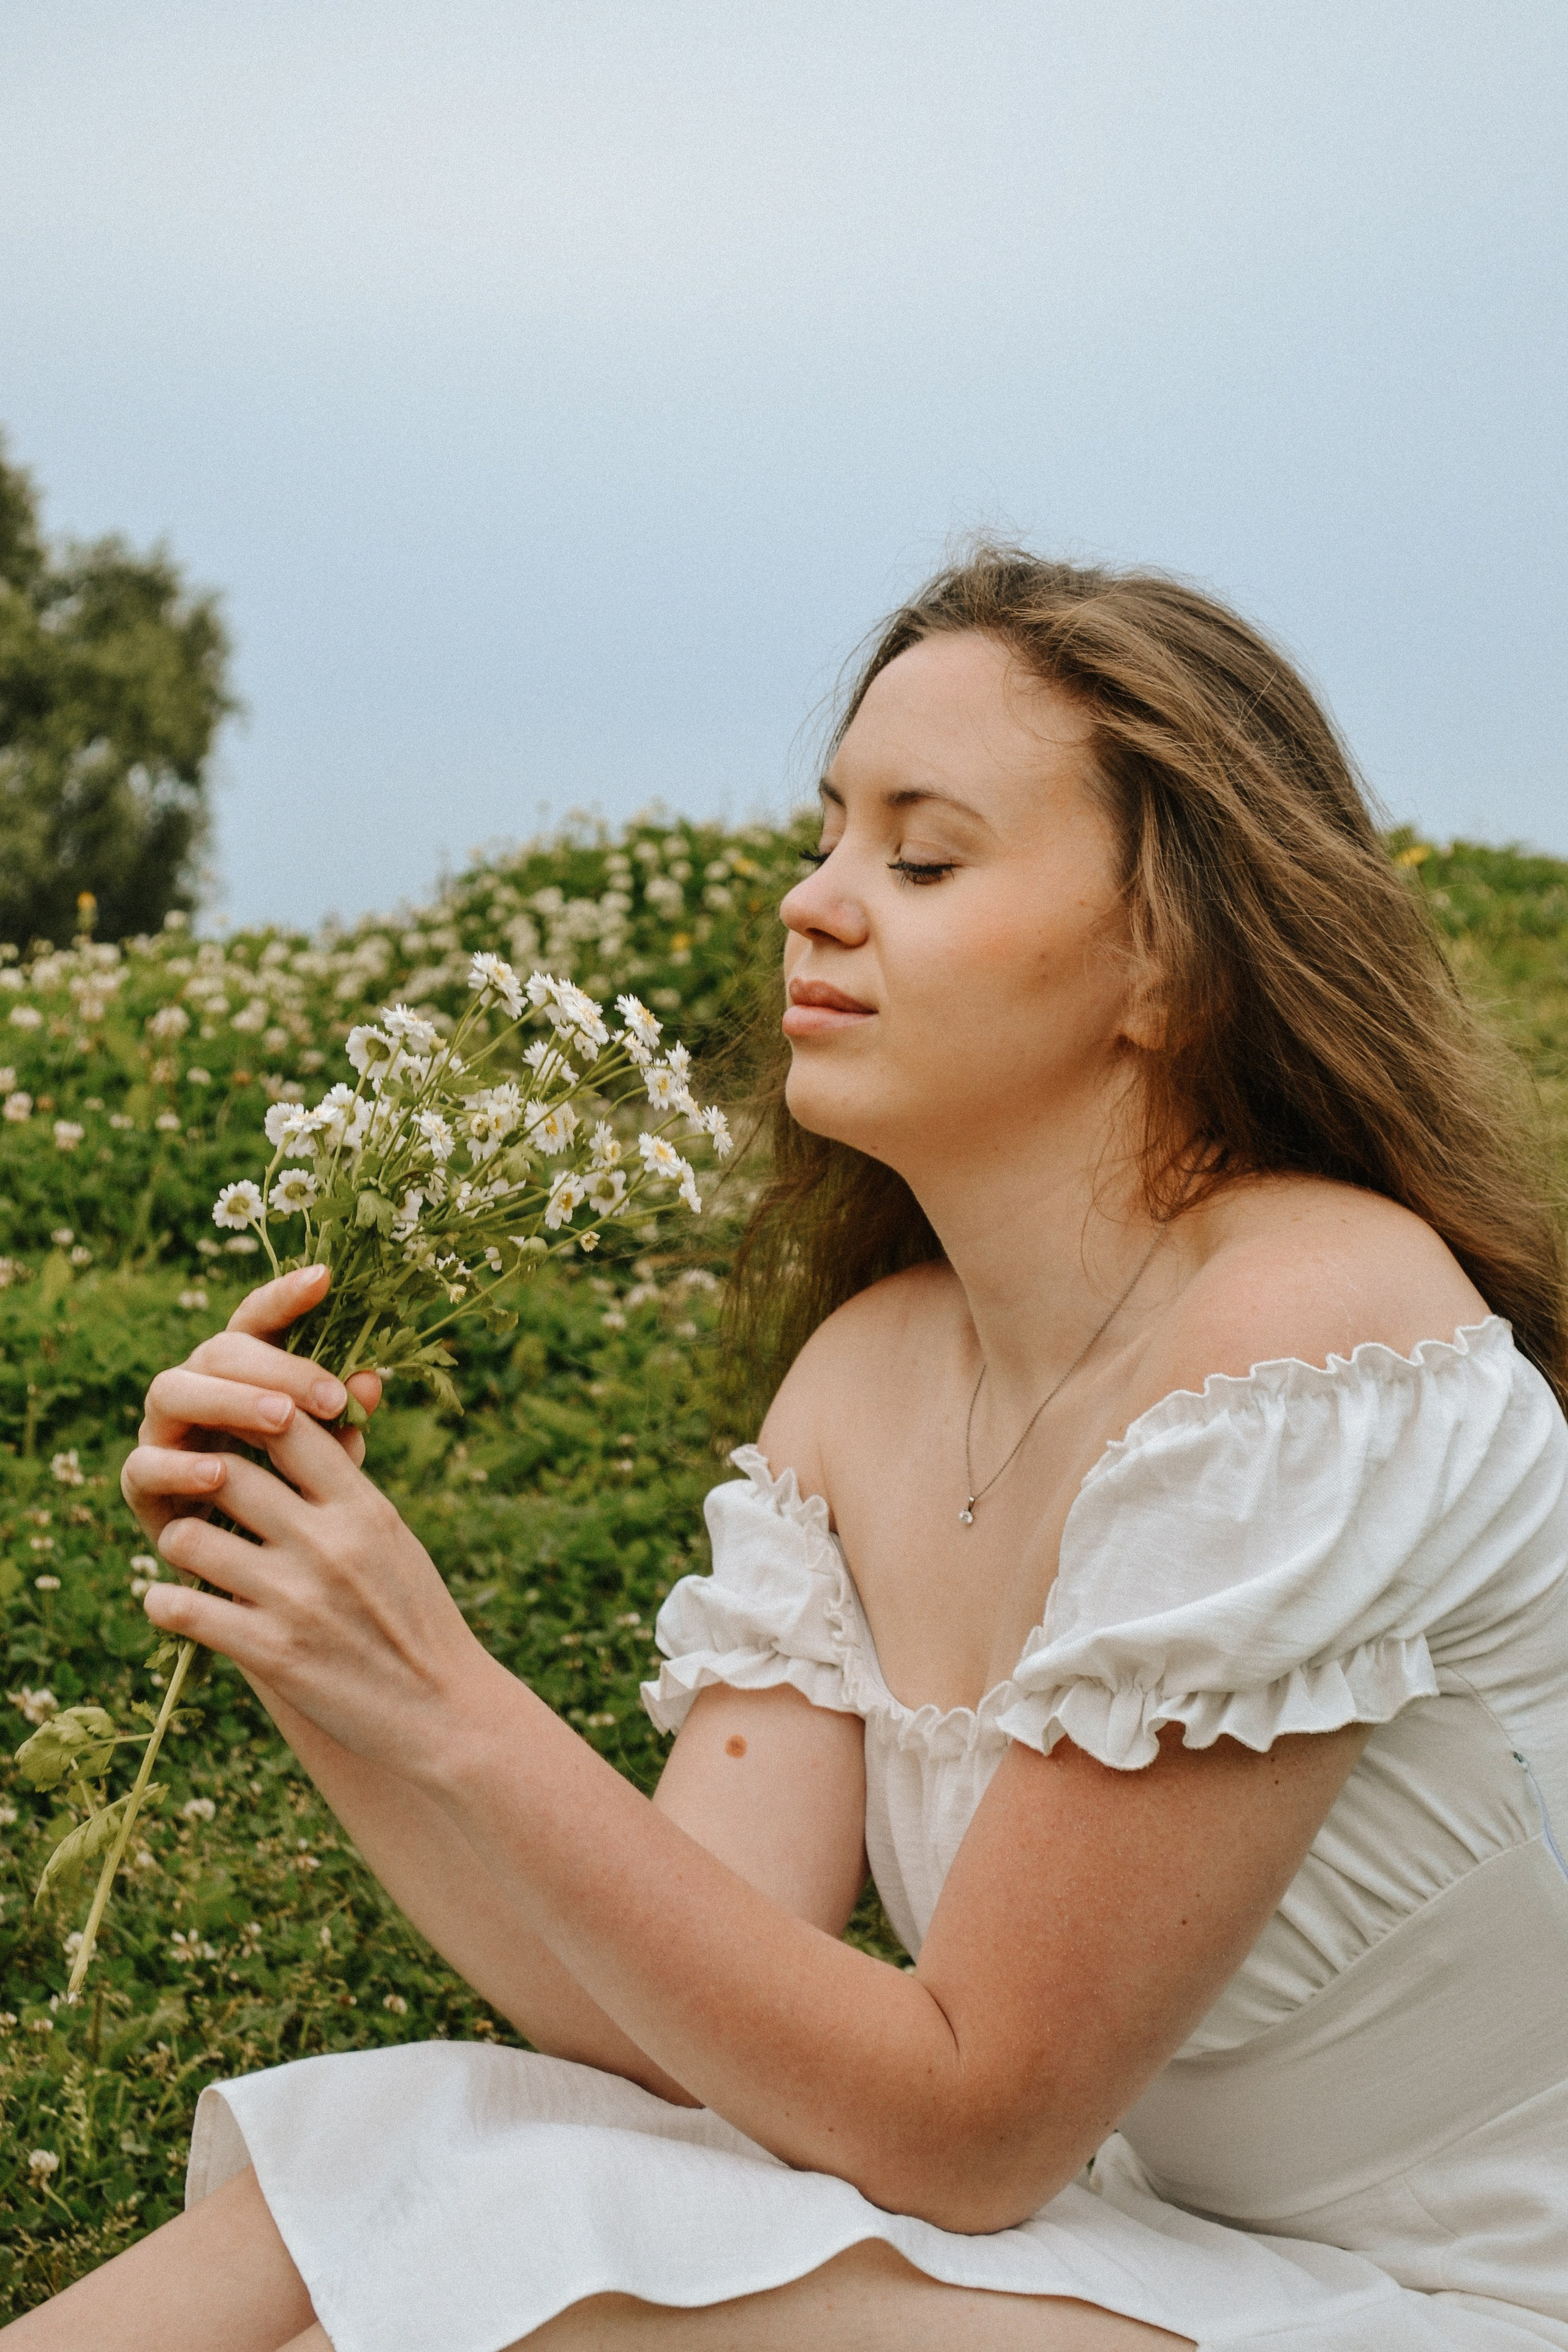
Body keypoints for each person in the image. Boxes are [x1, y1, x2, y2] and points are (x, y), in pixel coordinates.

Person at [9, 550, 1567, 2352]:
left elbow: (973, 2126)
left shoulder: (1310, 1337)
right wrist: (300, 1621)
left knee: (530, 2252)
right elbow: (660, 2018)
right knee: (427, 2135)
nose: (814, 903)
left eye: (921, 857)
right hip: (1164, 2259)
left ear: (1170, 963)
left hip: (1472, 2305)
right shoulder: (867, 1376)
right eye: (828, 835)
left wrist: (445, 1690)